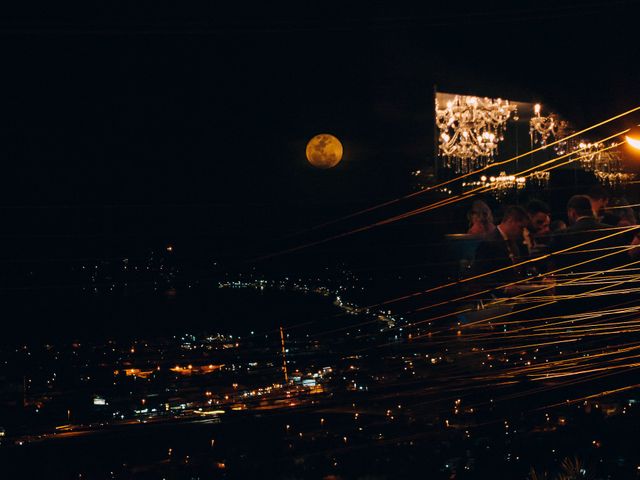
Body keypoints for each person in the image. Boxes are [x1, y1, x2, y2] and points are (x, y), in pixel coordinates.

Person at [469, 205, 529, 295]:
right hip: (496, 299)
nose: (523, 232)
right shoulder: (489, 243)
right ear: (511, 221)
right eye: (521, 227)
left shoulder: (514, 243)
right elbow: (481, 277)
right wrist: (504, 288)